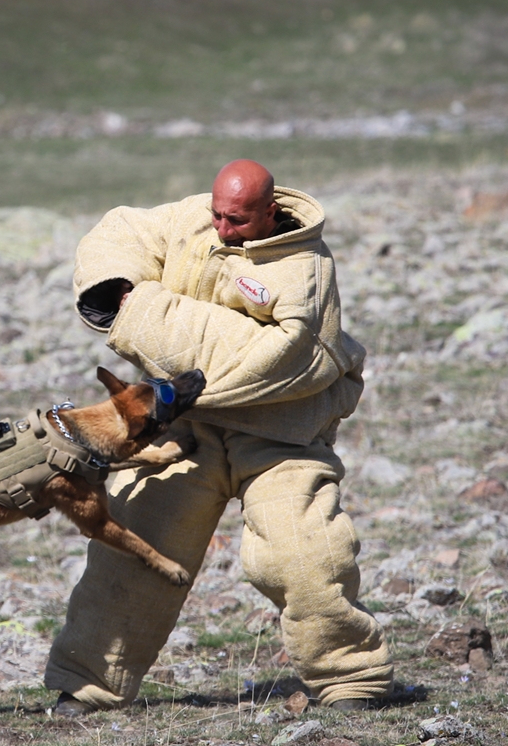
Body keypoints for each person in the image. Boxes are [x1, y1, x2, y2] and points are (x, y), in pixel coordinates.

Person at [44, 159, 392, 712]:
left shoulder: (306, 270)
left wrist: (145, 312)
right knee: (135, 550)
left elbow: (279, 358)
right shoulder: (194, 221)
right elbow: (122, 231)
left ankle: (351, 680)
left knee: (305, 556)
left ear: (270, 211)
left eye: (237, 220)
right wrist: (118, 288)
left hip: (282, 434)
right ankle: (89, 683)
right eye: (217, 215)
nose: (222, 229)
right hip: (184, 427)